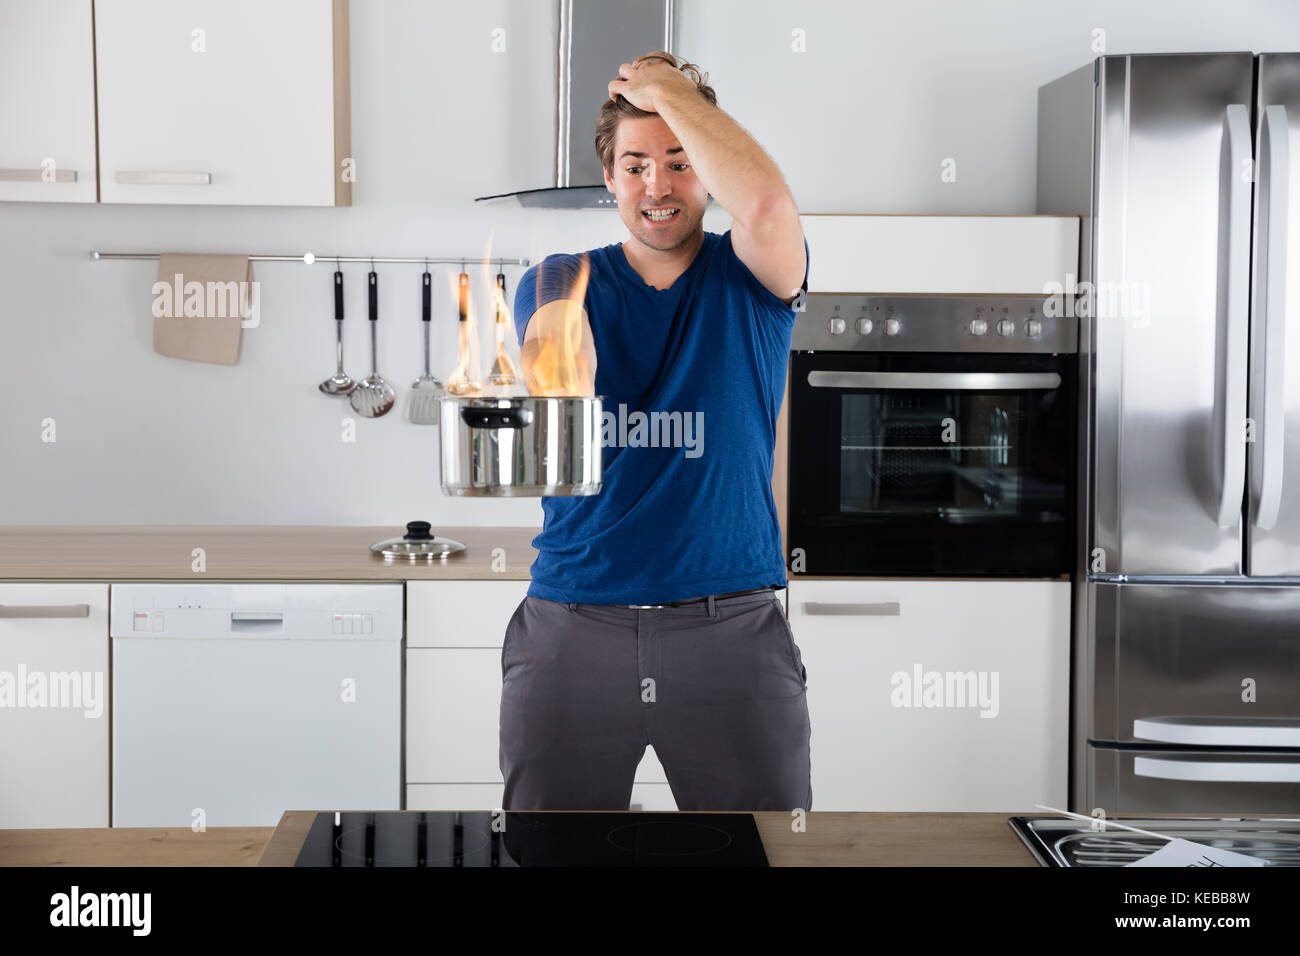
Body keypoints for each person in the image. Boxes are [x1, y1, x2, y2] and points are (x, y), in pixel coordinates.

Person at [501, 51, 810, 812]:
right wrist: (559, 369)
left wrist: (668, 88)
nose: (656, 186)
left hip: (730, 629)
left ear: (707, 169)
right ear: (607, 178)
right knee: (549, 856)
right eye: (635, 164)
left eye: (678, 161)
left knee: (765, 857)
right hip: (573, 628)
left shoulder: (755, 277)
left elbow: (767, 205)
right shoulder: (559, 274)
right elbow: (556, 351)